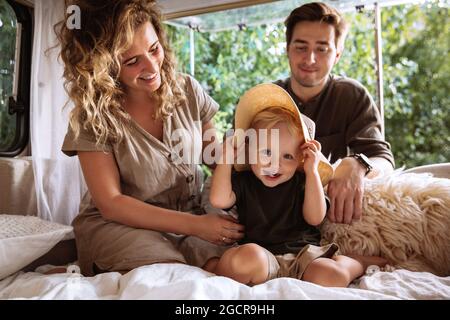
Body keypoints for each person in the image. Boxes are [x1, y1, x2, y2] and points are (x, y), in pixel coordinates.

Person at [57, 0, 243, 276]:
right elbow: (112, 203)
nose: (152, 65)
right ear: (104, 67)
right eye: (132, 61)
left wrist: (255, 157)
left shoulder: (187, 89)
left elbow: (212, 157)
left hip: (191, 215)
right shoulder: (92, 117)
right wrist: (199, 226)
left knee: (227, 269)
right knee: (168, 276)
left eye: (154, 49)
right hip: (120, 225)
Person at [208, 83, 387, 287]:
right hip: (262, 259)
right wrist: (226, 158)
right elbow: (218, 199)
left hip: (303, 256)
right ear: (249, 151)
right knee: (244, 259)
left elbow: (315, 217)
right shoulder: (245, 182)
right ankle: (220, 265)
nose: (275, 164)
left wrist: (312, 172)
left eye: (288, 156)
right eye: (267, 152)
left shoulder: (302, 182)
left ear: (300, 159)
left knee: (329, 275)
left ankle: (355, 263)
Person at [274, 2, 395, 224]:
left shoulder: (352, 95)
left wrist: (358, 163)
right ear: (287, 49)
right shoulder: (266, 98)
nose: (310, 59)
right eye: (301, 47)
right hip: (273, 220)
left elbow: (384, 160)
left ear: (337, 54)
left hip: (331, 220)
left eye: (322, 49)